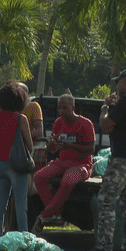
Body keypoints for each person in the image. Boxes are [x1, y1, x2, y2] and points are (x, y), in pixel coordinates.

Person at [84, 69, 126, 251]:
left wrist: (105, 108)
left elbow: (106, 125)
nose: (117, 87)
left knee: (106, 198)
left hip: (122, 156)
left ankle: (104, 247)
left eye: (118, 82)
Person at [31, 94, 95, 234]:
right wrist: (52, 145)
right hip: (62, 161)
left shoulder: (85, 124)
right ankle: (55, 213)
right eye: (59, 108)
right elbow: (53, 149)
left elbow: (91, 149)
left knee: (67, 182)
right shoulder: (58, 123)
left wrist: (70, 145)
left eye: (65, 107)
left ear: (73, 107)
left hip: (81, 164)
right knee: (38, 177)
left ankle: (45, 214)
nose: (61, 110)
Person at [0, 80, 33, 238]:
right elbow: (29, 144)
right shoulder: (21, 119)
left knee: (1, 204)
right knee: (21, 205)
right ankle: (24, 238)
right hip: (16, 165)